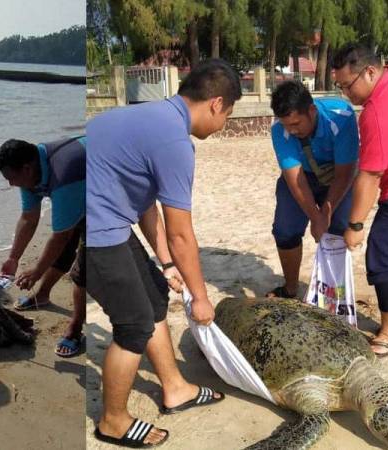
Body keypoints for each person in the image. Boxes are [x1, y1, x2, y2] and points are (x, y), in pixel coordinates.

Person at [86, 59, 242, 448]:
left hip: (107, 221)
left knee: (155, 296)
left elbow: (144, 203)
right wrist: (201, 297)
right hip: (93, 233)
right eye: (229, 115)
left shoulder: (146, 116)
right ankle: (112, 421)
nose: (223, 125)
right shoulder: (175, 142)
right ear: (216, 104)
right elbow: (181, 233)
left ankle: (175, 389)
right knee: (134, 326)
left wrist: (167, 264)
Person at [332, 44, 388, 357]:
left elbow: (370, 174)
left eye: (347, 85)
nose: (346, 94)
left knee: (383, 259)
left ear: (369, 72)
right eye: (340, 87)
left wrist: (355, 224)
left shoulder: (378, 109)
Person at [0, 137, 86, 358]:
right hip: (79, 192)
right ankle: (43, 294)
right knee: (62, 248)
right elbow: (28, 217)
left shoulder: (64, 174)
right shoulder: (32, 170)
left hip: (101, 195)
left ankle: (75, 329)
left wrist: (36, 271)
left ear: (26, 169)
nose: (10, 184)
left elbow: (61, 236)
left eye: (11, 178)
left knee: (84, 271)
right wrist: (14, 258)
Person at [267, 80, 358, 299]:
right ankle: (290, 288)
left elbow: (346, 173)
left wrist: (325, 213)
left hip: (338, 175)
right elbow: (295, 178)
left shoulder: (342, 116)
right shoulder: (280, 130)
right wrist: (315, 217)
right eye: (287, 124)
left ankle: (334, 294)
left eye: (297, 123)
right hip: (302, 178)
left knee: (337, 231)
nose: (292, 130)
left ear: (312, 110)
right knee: (285, 230)